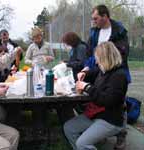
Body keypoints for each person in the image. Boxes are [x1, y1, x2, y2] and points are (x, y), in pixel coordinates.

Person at [64, 41, 128, 150]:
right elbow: (94, 72)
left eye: (98, 58)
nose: (97, 62)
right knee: (69, 128)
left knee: (82, 143)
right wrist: (84, 73)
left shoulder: (119, 76)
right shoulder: (104, 70)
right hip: (96, 114)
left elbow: (108, 100)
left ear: (106, 58)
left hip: (110, 120)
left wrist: (87, 87)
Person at [84, 5, 131, 148]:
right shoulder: (94, 32)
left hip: (117, 72)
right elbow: (89, 52)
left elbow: (122, 54)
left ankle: (121, 134)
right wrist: (87, 67)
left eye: (96, 18)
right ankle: (100, 132)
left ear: (105, 16)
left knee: (119, 104)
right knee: (101, 100)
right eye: (92, 19)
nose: (94, 21)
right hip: (101, 70)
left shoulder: (119, 31)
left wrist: (110, 70)